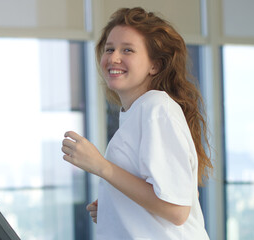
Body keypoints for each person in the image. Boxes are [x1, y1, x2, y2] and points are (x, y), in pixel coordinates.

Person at [61, 7, 212, 239]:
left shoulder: (157, 108)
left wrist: (101, 166)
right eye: (109, 49)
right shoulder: (138, 111)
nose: (113, 57)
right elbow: (156, 193)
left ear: (155, 66)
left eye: (127, 50)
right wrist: (117, 207)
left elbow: (177, 210)